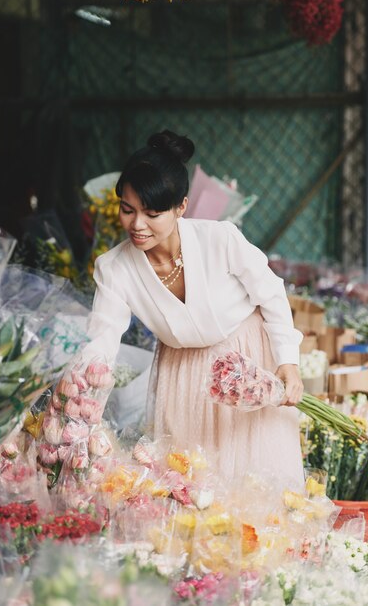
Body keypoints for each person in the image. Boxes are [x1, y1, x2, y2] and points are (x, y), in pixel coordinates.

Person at [82, 130, 304, 485]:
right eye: (127, 210)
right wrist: (83, 412)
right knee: (191, 489)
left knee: (256, 483)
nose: (137, 225)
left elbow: (271, 294)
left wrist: (287, 363)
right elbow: (101, 344)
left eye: (152, 213)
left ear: (181, 207)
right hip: (182, 379)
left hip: (247, 365)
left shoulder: (220, 239)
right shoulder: (115, 268)